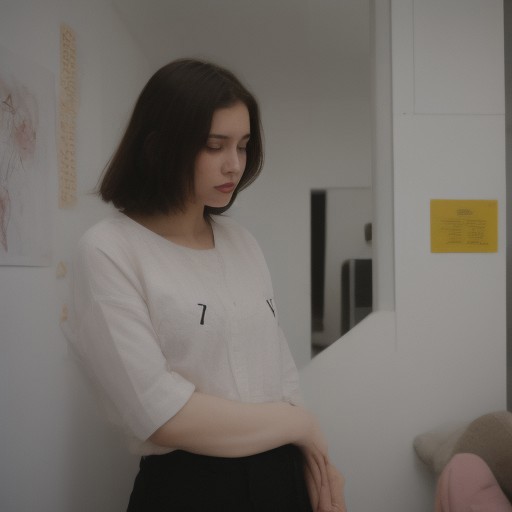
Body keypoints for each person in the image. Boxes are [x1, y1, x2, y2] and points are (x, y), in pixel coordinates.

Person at [64, 58, 345, 512]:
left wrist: (318, 463)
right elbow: (160, 413)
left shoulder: (241, 242)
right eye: (215, 146)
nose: (235, 165)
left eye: (244, 146)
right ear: (160, 146)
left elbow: (279, 370)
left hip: (282, 474)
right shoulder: (108, 250)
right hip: (191, 487)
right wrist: (301, 426)